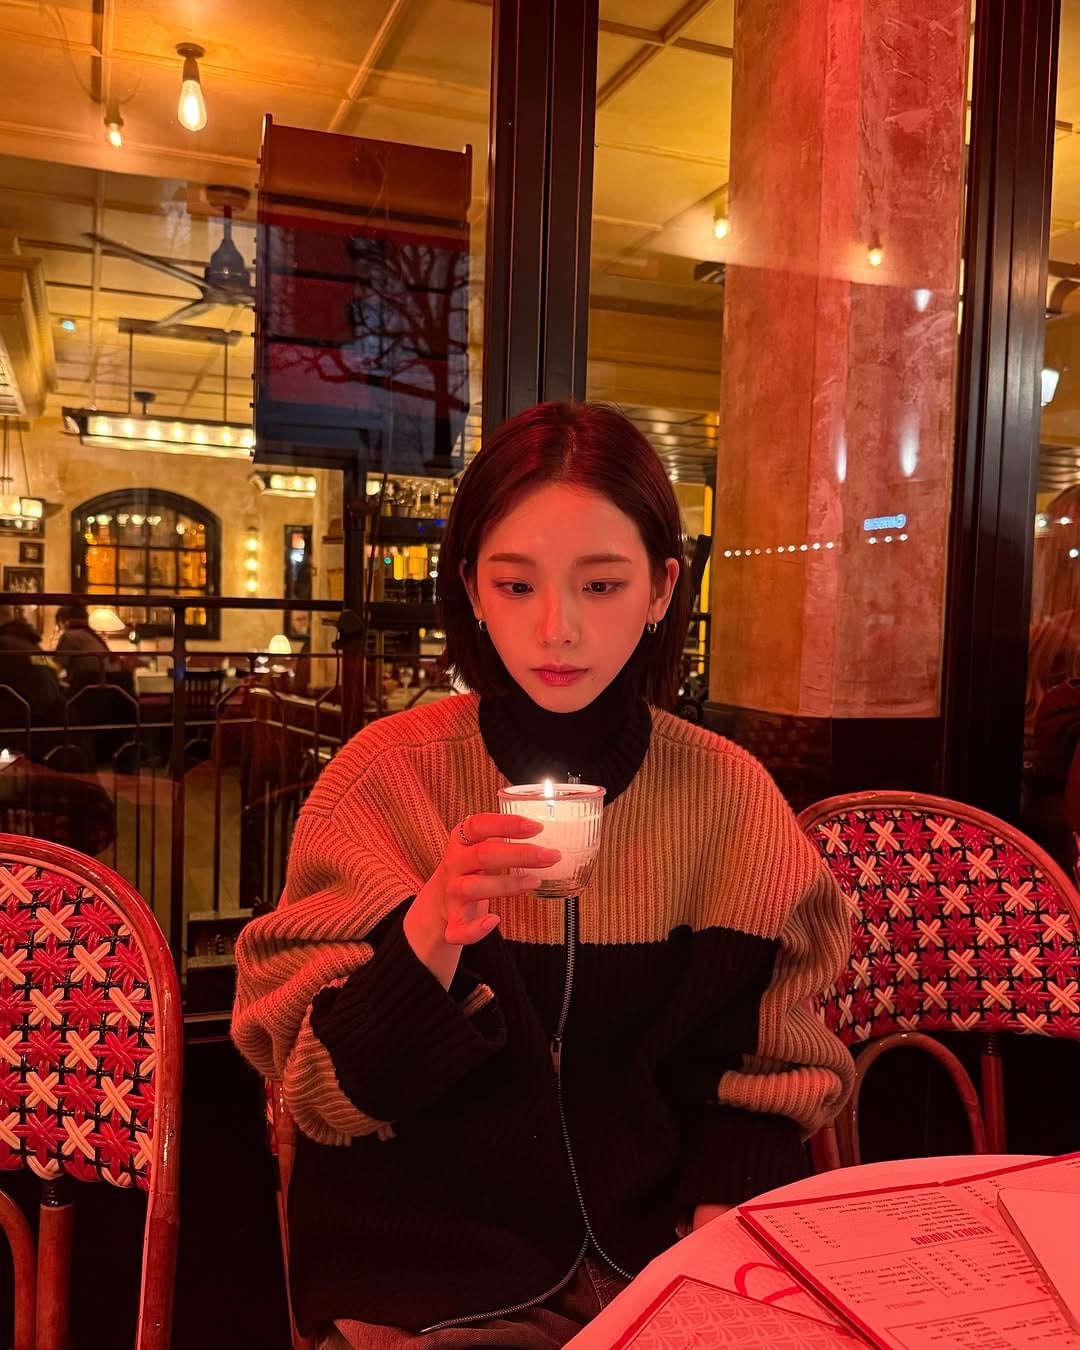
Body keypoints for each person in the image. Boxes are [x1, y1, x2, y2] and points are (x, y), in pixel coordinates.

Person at [232, 402, 855, 1349]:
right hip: (427, 1279)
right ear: (472, 590)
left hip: (658, 1260)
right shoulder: (385, 780)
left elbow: (770, 1068)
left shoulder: (729, 799)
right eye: (516, 585)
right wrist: (427, 937)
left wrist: (718, 1236)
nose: (557, 628)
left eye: (601, 585)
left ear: (662, 589)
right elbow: (319, 1098)